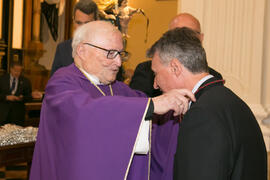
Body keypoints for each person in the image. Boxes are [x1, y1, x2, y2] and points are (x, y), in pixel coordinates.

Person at [30, 21, 195, 180]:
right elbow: (82, 113)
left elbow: (153, 116)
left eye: (120, 54)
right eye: (110, 53)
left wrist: (177, 106)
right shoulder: (62, 83)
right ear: (82, 51)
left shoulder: (118, 89)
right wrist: (152, 105)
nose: (118, 63)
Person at [148, 27, 267, 180]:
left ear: (175, 68)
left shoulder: (202, 115)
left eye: (156, 73)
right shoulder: (231, 101)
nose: (155, 85)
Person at [129, 13, 222, 97]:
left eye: (189, 34)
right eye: (176, 34)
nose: (183, 39)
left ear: (201, 38)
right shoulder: (146, 71)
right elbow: (137, 109)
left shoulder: (213, 77)